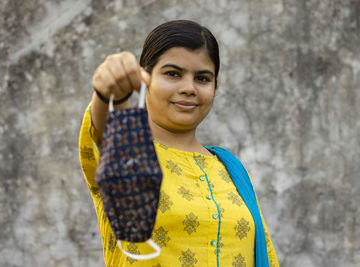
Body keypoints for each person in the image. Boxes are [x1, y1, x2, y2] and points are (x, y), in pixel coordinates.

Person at [79, 20, 279, 267]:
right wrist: (109, 92)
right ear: (144, 78)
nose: (189, 88)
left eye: (203, 78)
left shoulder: (230, 171)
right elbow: (106, 123)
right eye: (173, 74)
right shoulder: (127, 154)